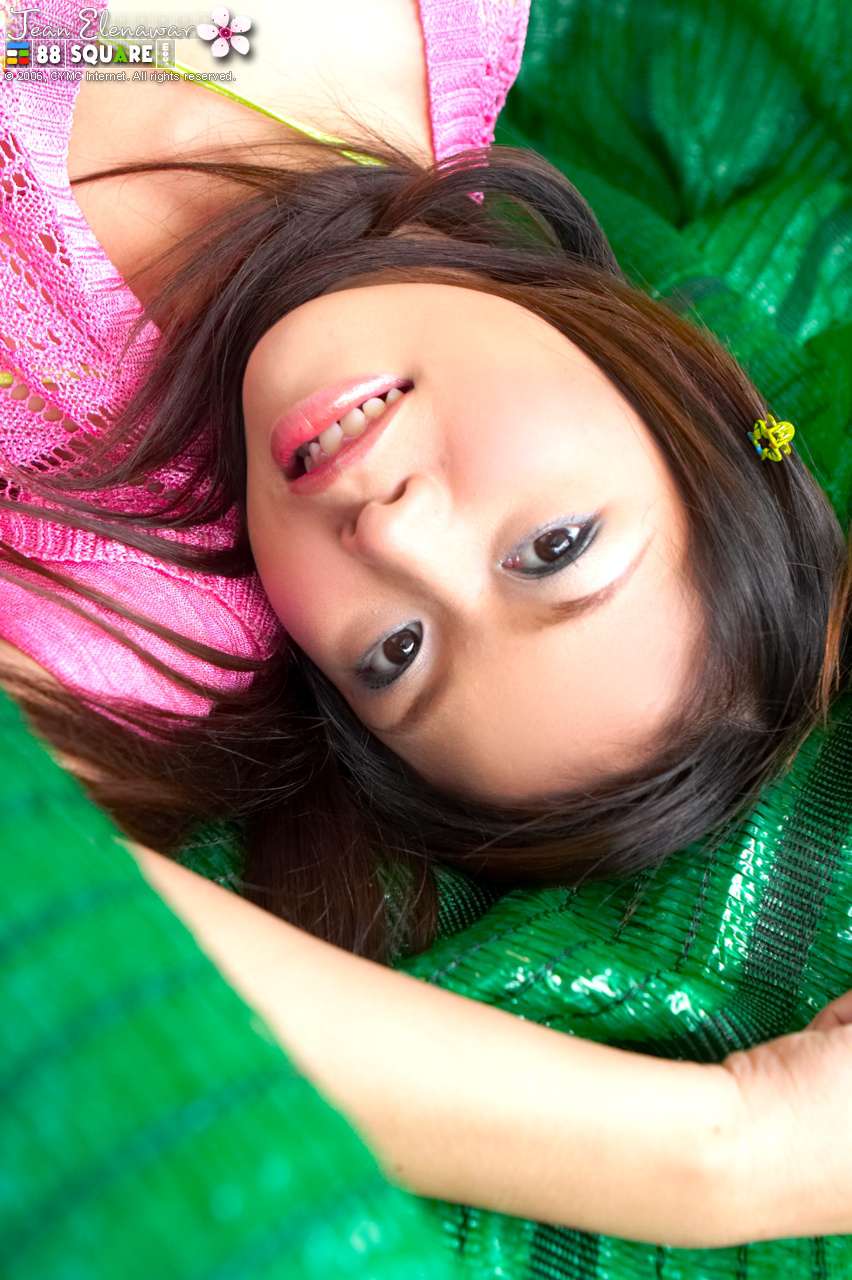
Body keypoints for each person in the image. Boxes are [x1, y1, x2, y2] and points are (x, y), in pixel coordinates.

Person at [1, 0, 851, 1265]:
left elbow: (66, 900)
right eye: (552, 548)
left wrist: (724, 1150)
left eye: (396, 654)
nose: (394, 534)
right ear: (657, 378)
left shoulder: (134, 586)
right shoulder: (415, 25)